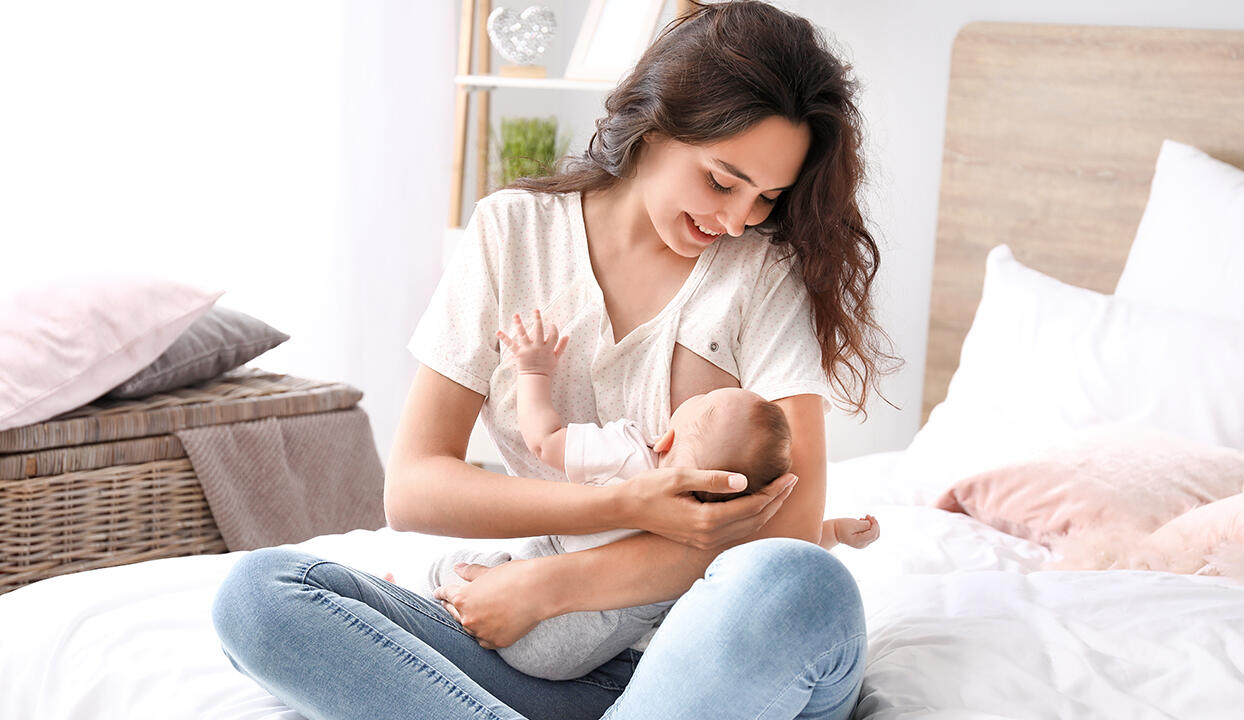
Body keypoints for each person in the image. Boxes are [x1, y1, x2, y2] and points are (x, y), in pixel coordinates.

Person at [211, 1, 898, 718]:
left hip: (709, 659)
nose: (734, 220)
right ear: (657, 122)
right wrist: (617, 505)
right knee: (260, 596)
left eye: (767, 198)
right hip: (535, 660)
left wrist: (553, 587)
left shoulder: (759, 273)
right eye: (722, 181)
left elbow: (787, 531)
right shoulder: (513, 231)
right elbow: (414, 488)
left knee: (795, 583)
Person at [410, 309, 818, 682]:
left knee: (448, 568)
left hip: (524, 610)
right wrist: (832, 530)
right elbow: (782, 544)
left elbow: (545, 440)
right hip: (585, 658)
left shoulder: (630, 452)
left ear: (670, 436)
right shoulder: (718, 527)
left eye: (705, 398)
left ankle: (424, 595)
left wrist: (533, 371)